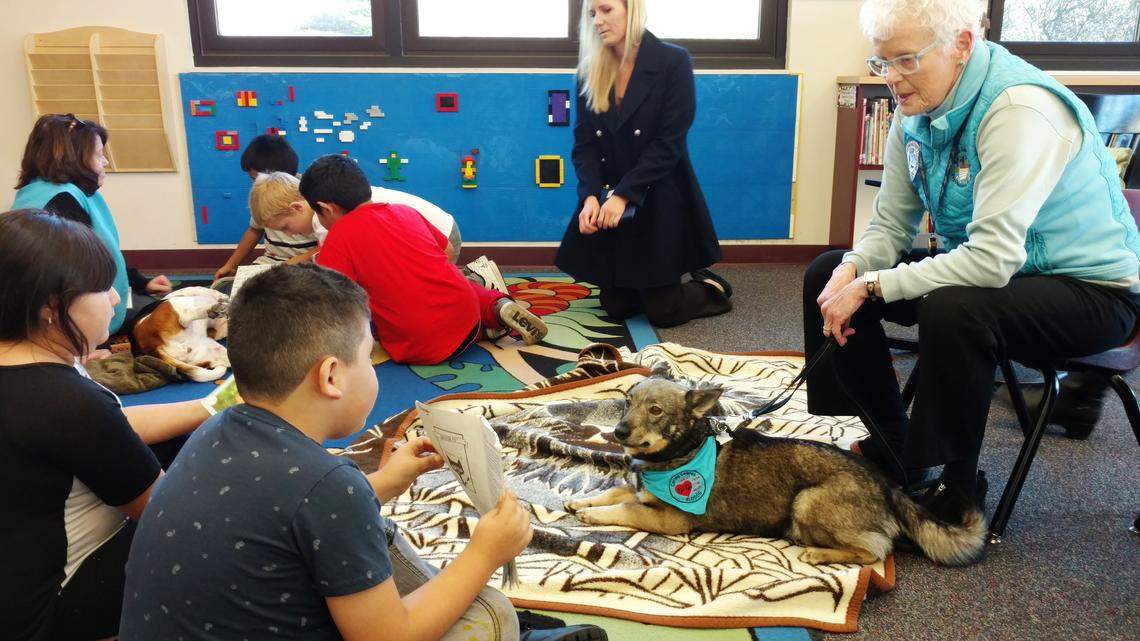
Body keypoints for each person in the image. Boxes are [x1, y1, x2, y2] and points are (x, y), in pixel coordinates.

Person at [118, 263, 606, 641]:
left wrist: (385, 483)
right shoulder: (329, 488)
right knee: (487, 612)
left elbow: (283, 517)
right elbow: (389, 636)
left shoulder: (218, 429)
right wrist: (484, 553)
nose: (376, 371)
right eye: (369, 356)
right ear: (331, 376)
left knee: (381, 544)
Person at [802, 0, 1140, 522]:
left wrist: (873, 286)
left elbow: (990, 261)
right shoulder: (913, 113)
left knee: (955, 308)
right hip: (999, 275)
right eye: (882, 63)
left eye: (906, 60)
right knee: (826, 272)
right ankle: (897, 449)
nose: (892, 78)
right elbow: (890, 227)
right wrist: (854, 268)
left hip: (1093, 292)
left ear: (961, 45)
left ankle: (958, 491)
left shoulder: (1018, 109)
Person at [0, 210, 210, 641]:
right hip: (47, 613)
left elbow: (112, 429)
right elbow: (164, 515)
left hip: (15, 577)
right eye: (101, 289)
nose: (115, 300)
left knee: (188, 437)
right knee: (213, 527)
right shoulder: (69, 402)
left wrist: (209, 407)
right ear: (51, 309)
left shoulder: (29, 364)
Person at [555, 0, 732, 329]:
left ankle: (708, 286)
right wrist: (590, 197)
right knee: (617, 307)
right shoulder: (588, 71)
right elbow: (585, 145)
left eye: (606, 10)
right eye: (591, 14)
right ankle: (643, 278)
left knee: (663, 312)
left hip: (658, 192)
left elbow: (670, 142)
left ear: (630, 8)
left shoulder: (673, 61)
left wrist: (625, 195)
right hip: (609, 197)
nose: (597, 21)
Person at [299, 155, 548, 364]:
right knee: (466, 287)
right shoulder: (404, 211)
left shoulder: (337, 238)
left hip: (419, 345)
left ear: (326, 208)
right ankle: (497, 310)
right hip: (465, 314)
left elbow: (334, 301)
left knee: (375, 313)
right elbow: (449, 252)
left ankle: (490, 325)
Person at [12, 114, 172, 335]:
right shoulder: (61, 201)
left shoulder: (47, 190)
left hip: (82, 306)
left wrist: (140, 282)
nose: (105, 161)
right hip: (71, 323)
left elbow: (99, 254)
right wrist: (77, 348)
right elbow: (64, 286)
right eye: (98, 155)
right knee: (175, 316)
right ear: (72, 158)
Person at [248, 171, 463, 264]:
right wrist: (298, 260)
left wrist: (297, 262)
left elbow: (329, 263)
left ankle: (472, 284)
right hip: (441, 227)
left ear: (297, 207)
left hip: (441, 236)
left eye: (285, 227)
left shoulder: (324, 219)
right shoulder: (327, 202)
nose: (289, 233)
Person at [213, 134, 319, 281]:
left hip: (307, 265)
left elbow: (326, 246)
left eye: (257, 180)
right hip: (270, 262)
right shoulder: (263, 195)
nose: (257, 186)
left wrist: (293, 263)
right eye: (253, 180)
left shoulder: (314, 195)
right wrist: (231, 265)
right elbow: (254, 230)